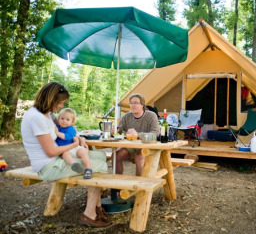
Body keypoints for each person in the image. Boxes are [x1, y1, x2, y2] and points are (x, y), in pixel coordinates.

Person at [21, 82, 109, 227]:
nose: (61, 106)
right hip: (49, 166)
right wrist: (75, 145)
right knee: (101, 165)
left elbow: (67, 129)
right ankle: (89, 214)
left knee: (100, 155)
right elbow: (51, 151)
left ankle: (97, 207)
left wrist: (80, 139)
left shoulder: (47, 114)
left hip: (57, 158)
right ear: (51, 99)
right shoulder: (37, 118)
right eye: (60, 102)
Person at [115, 93, 160, 176]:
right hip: (131, 146)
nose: (133, 105)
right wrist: (114, 131)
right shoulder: (126, 116)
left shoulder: (151, 116)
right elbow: (120, 131)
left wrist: (138, 135)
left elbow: (156, 135)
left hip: (148, 146)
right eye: (131, 103)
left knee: (139, 157)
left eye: (136, 103)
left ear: (142, 104)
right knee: (116, 155)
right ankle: (117, 184)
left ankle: (139, 186)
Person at [55, 108, 93, 179]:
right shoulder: (57, 128)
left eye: (67, 119)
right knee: (65, 155)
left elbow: (67, 137)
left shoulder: (71, 129)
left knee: (83, 152)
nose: (64, 121)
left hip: (74, 148)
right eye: (62, 118)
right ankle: (74, 165)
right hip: (65, 150)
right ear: (58, 119)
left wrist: (57, 133)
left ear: (72, 122)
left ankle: (88, 168)